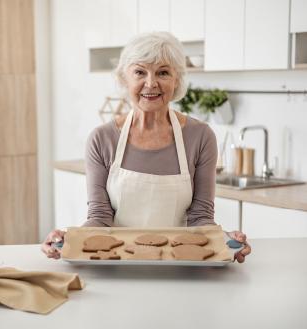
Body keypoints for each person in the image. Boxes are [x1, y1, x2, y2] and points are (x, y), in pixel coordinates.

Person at [41, 31, 251, 262]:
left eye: (163, 72)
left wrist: (226, 240)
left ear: (177, 80)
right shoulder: (102, 139)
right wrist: (70, 239)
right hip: (117, 264)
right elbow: (100, 217)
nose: (151, 84)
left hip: (182, 267)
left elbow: (201, 217)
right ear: (124, 79)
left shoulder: (200, 137)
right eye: (140, 72)